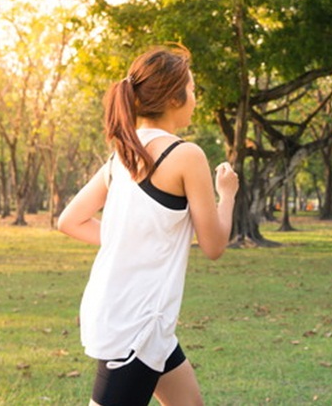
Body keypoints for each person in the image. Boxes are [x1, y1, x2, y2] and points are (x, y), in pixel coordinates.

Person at [57, 44, 238, 406]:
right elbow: (214, 245)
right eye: (192, 90)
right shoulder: (186, 155)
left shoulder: (123, 154)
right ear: (174, 98)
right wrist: (227, 193)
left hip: (140, 318)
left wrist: (130, 241)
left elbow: (70, 220)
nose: (195, 99)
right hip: (135, 325)